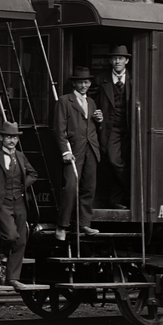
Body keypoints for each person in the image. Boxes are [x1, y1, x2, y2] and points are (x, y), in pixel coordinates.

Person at [0, 120, 37, 289]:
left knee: (21, 240)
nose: (12, 140)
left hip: (19, 201)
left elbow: (33, 174)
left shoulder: (20, 156)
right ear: (1, 138)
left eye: (14, 137)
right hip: (2, 202)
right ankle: (2, 251)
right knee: (11, 235)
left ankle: (12, 278)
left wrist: (23, 186)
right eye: (8, 137)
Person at [52, 66, 102, 239]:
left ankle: (84, 224)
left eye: (86, 82)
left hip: (91, 149)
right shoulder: (64, 101)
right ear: (74, 83)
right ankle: (62, 226)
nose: (83, 85)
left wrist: (99, 121)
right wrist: (65, 151)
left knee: (89, 188)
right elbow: (59, 129)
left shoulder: (92, 102)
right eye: (80, 82)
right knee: (71, 187)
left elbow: (92, 127)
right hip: (74, 149)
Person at [93, 45, 132, 209]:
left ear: (126, 61)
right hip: (111, 128)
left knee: (125, 161)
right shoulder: (101, 79)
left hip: (130, 128)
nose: (117, 61)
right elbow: (91, 101)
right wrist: (96, 113)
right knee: (115, 161)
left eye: (120, 58)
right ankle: (132, 190)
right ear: (110, 61)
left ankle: (116, 200)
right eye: (115, 58)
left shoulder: (134, 78)